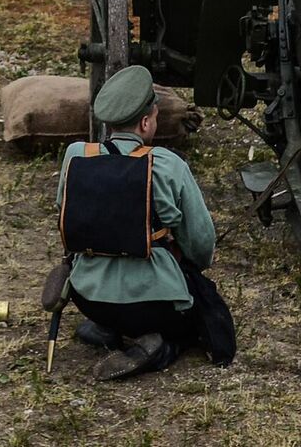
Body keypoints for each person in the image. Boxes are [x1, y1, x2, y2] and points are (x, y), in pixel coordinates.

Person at [56, 66, 232, 380]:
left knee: (110, 302)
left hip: (87, 295)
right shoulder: (167, 164)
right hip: (154, 303)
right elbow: (201, 242)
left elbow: (66, 213)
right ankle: (161, 348)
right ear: (146, 121)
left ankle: (107, 329)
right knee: (204, 313)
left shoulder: (76, 155)